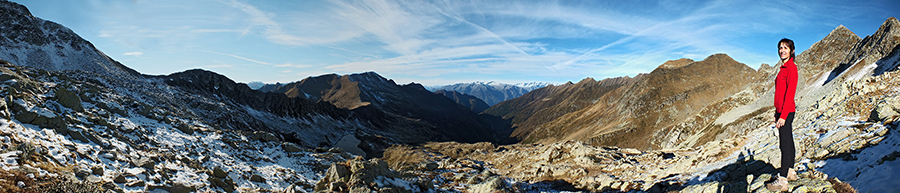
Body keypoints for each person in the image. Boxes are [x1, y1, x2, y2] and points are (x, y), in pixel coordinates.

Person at [766, 38, 799, 192]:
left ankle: (783, 180)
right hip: (782, 111)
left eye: (785, 48)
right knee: (788, 142)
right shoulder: (783, 68)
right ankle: (791, 171)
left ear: (791, 51)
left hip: (787, 111)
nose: (782, 50)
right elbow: (780, 94)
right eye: (780, 48)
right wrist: (776, 112)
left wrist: (783, 116)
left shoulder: (791, 68)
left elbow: (789, 94)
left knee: (784, 145)